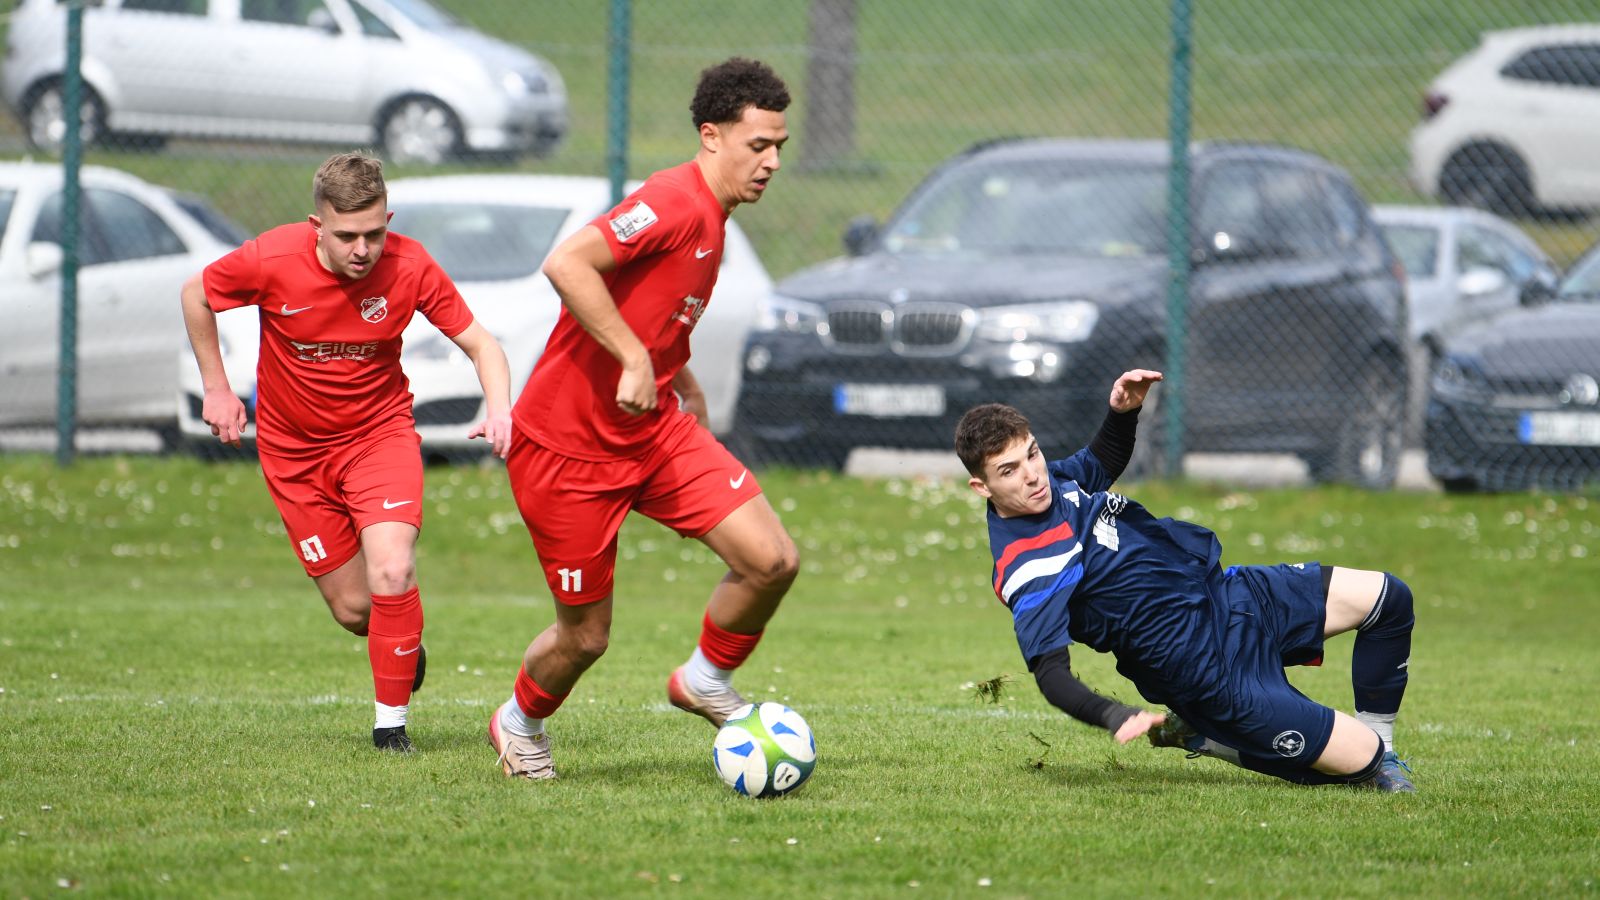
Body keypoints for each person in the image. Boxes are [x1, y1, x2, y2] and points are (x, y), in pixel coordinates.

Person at [486, 57, 799, 781]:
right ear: (711, 136)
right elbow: (567, 264)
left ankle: (705, 681)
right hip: (565, 450)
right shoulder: (672, 201)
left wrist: (678, 378)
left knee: (772, 560)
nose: (773, 163)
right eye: (758, 145)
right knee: (585, 638)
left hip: (653, 430)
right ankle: (519, 722)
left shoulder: (715, 219)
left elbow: (655, 310)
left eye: (780, 146)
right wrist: (631, 357)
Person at [180, 151, 513, 753]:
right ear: (317, 226)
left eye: (374, 233)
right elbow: (195, 295)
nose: (363, 250)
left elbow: (482, 344)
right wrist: (217, 387)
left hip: (379, 438)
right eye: (347, 236)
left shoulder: (411, 264)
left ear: (390, 220)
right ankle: (401, 640)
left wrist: (499, 409)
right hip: (295, 456)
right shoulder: (271, 258)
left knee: (393, 568)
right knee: (357, 610)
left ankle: (391, 730)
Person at [954, 369, 1417, 791]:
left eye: (1032, 454)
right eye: (1009, 471)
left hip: (1230, 596)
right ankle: (1211, 735)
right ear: (982, 487)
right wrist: (1112, 714)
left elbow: (1100, 462)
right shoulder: (1029, 565)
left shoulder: (1050, 482)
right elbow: (1050, 673)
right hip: (1201, 669)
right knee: (1363, 759)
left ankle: (1384, 752)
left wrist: (1123, 412)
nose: (1032, 475)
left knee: (1389, 599)